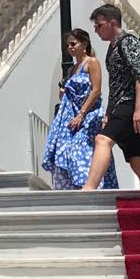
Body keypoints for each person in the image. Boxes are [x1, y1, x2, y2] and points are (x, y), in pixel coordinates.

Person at [82, 3, 140, 191]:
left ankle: (89, 189)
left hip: (132, 104)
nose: (96, 30)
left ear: (113, 23)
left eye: (99, 25)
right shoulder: (113, 48)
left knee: (102, 140)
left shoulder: (128, 41)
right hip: (123, 106)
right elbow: (115, 85)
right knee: (139, 164)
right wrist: (109, 113)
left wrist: (139, 109)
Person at [43, 28, 106, 190]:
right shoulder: (72, 69)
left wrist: (81, 114)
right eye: (67, 45)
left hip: (87, 115)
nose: (70, 48)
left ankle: (89, 185)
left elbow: (96, 90)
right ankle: (72, 187)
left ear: (84, 43)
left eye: (73, 43)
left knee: (81, 148)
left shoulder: (92, 62)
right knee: (64, 151)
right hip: (68, 117)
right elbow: (65, 96)